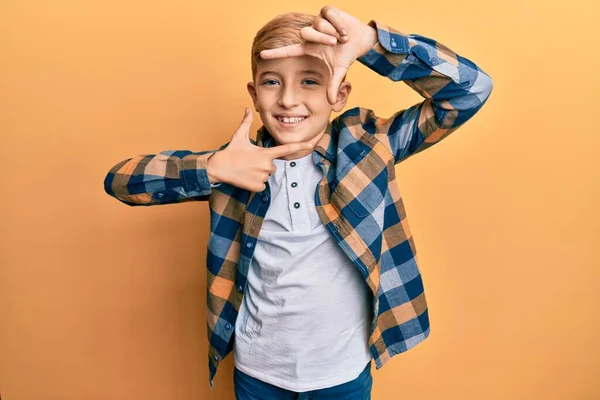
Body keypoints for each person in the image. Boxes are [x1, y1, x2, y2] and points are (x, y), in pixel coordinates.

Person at [104, 5, 493, 399]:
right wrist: (213, 167)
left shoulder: (369, 147)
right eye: (272, 82)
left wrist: (373, 44)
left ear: (339, 92)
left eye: (309, 80)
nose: (289, 100)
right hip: (259, 375)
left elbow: (471, 90)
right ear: (255, 95)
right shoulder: (236, 166)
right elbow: (120, 182)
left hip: (342, 373)